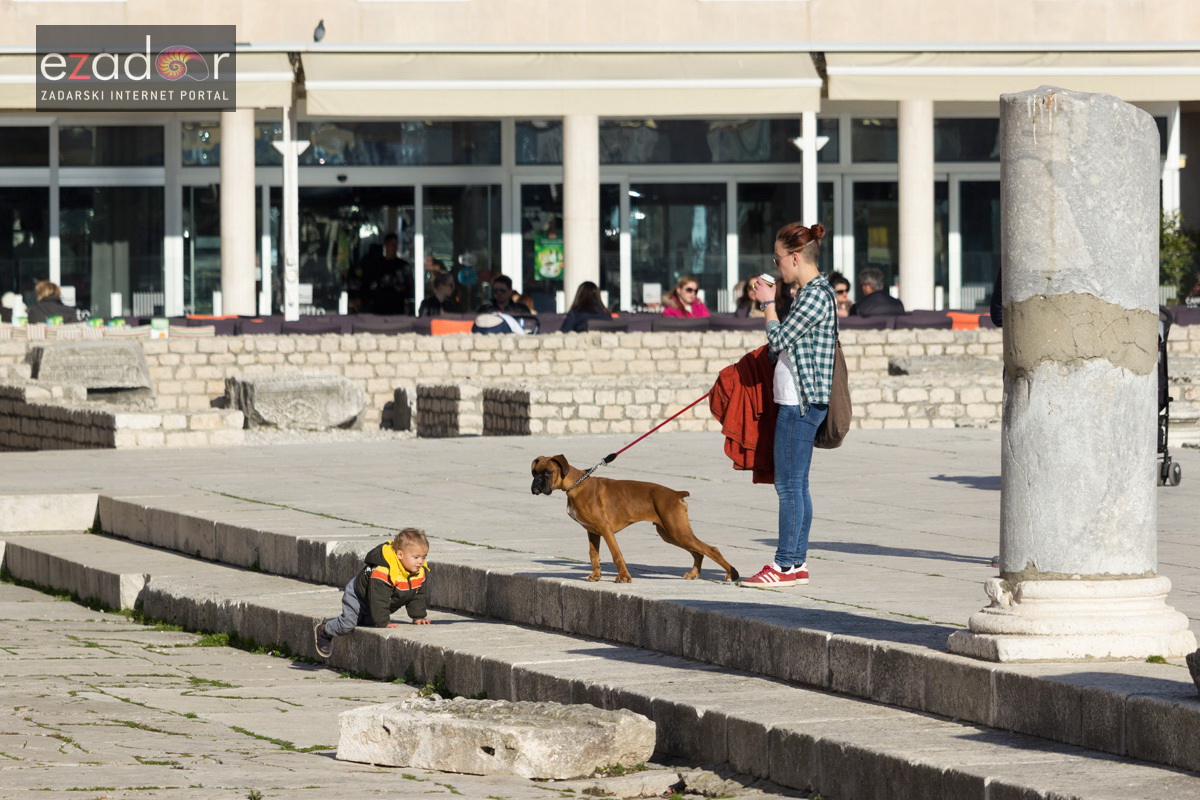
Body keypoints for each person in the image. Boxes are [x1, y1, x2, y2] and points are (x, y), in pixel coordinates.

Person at [742, 222, 836, 587]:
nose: (776, 265)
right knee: (798, 484)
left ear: (795, 258)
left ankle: (783, 565)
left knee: (789, 486)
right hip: (800, 399)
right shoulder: (810, 293)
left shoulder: (814, 295)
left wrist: (767, 303)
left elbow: (779, 339)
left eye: (777, 258)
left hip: (800, 402)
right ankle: (796, 563)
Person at [314, 528, 431, 659]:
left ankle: (344, 621)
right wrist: (383, 622)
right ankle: (324, 630)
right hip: (358, 596)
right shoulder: (383, 571)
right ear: (400, 554)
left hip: (373, 602)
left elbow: (417, 594)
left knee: (367, 622)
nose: (420, 561)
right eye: (416, 557)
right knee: (348, 624)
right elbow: (379, 598)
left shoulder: (419, 572)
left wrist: (418, 616)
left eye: (423, 557)